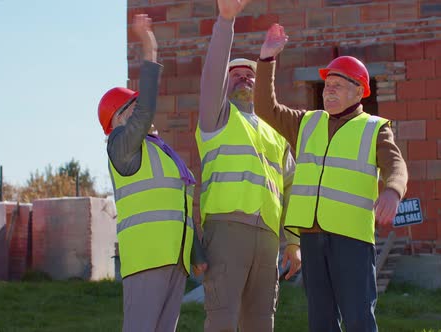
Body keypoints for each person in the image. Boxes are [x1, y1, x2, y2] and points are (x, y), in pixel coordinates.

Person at [254, 24, 409, 332]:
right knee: (321, 321)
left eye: (338, 84)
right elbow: (264, 108)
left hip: (352, 238)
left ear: (360, 91)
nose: (329, 90)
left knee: (358, 318)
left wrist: (392, 191)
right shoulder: (306, 123)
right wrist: (267, 60)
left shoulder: (375, 128)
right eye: (327, 85)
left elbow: (396, 165)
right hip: (312, 237)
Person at [195, 1, 301, 331]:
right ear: (225, 85)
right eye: (236, 75)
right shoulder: (216, 118)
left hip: (268, 240)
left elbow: (292, 187)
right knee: (222, 319)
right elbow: (212, 73)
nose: (244, 78)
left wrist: (294, 242)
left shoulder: (275, 132)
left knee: (261, 322)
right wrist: (225, 22)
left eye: (250, 75)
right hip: (226, 231)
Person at [97, 14, 206, 332]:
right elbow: (145, 113)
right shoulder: (121, 145)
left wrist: (196, 252)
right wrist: (150, 50)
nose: (140, 110)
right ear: (115, 122)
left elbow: (180, 203)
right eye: (130, 108)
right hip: (147, 258)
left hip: (175, 259)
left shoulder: (160, 152)